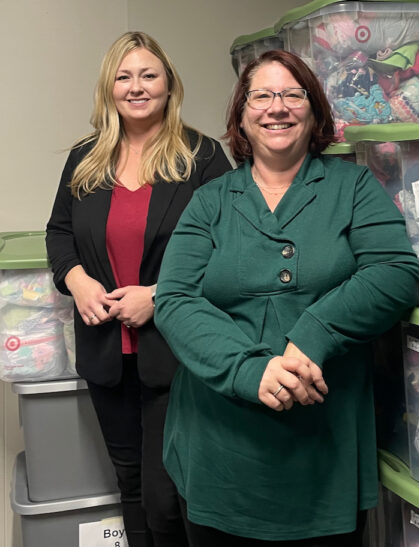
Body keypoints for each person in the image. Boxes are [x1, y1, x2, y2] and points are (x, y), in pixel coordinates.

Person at [153, 49, 419, 545]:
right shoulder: (210, 201)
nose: (277, 107)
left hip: (325, 448)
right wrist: (250, 370)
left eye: (292, 95)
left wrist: (310, 337)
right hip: (219, 450)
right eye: (261, 96)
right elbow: (174, 299)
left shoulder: (354, 186)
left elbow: (395, 272)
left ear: (314, 111)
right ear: (241, 115)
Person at [45, 31, 232, 547]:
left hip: (177, 354)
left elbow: (231, 246)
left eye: (148, 74)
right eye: (124, 77)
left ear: (169, 85)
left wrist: (160, 295)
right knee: (129, 483)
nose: (136, 86)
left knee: (167, 499)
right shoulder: (86, 158)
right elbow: (59, 232)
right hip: (106, 352)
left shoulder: (201, 157)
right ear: (109, 89)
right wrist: (77, 280)